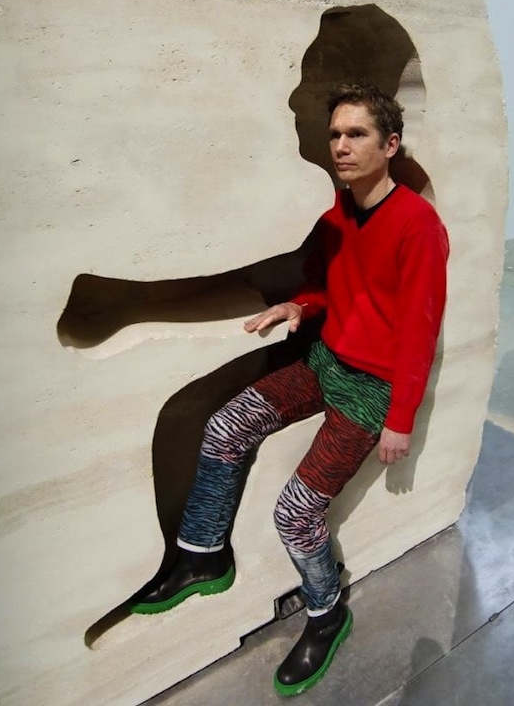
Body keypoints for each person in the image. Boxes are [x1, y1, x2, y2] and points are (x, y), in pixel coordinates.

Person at [129, 82, 449, 696]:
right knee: (226, 425)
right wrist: (301, 306)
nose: (341, 146)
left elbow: (419, 328)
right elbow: (338, 287)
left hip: (371, 390)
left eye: (356, 134)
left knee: (295, 513)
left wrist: (400, 418)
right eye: (335, 135)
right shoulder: (338, 214)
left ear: (391, 144)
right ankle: (203, 553)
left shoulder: (418, 224)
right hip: (326, 360)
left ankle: (326, 612)